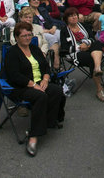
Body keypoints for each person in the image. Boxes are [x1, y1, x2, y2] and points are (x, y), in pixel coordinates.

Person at [4, 21, 65, 156]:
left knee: (56, 91)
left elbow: (45, 66)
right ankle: (33, 136)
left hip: (39, 82)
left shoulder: (35, 49)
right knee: (41, 96)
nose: (27, 38)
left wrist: (45, 79)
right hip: (21, 87)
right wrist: (33, 84)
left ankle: (48, 122)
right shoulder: (12, 53)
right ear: (17, 37)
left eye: (29, 35)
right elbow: (14, 76)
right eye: (24, 35)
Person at [60, 7, 104, 101]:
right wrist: (80, 47)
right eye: (71, 16)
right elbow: (65, 48)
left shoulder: (84, 26)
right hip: (75, 54)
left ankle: (97, 68)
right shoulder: (64, 31)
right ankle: (99, 89)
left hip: (89, 49)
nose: (74, 17)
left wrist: (87, 44)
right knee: (91, 58)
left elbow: (92, 38)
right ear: (66, 19)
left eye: (75, 15)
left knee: (97, 43)